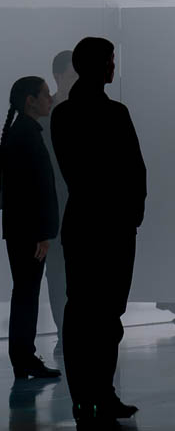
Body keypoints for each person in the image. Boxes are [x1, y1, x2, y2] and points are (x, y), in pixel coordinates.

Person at [50, 37, 147, 426]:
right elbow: (134, 169)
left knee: (83, 311)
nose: (113, 67)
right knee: (105, 314)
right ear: (97, 65)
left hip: (85, 222)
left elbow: (79, 171)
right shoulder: (115, 113)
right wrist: (133, 212)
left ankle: (86, 397)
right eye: (109, 60)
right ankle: (100, 394)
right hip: (113, 225)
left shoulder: (63, 114)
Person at [3, 76, 61, 380]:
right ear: (31, 101)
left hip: (21, 230)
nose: (50, 99)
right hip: (28, 232)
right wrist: (42, 233)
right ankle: (24, 357)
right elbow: (33, 190)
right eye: (46, 94)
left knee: (25, 293)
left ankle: (23, 357)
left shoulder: (21, 133)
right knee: (27, 294)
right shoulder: (26, 135)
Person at [42, 50, 74, 351]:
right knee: (57, 271)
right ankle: (65, 331)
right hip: (54, 205)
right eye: (73, 74)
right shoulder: (43, 113)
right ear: (58, 76)